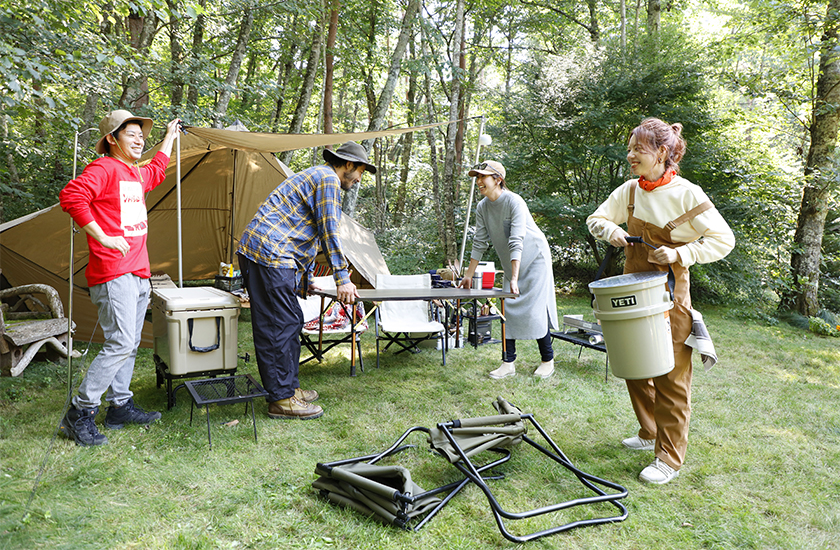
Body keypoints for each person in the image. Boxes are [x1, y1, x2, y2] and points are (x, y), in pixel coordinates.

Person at [587, 118, 735, 484]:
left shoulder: (687, 193)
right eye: (631, 147)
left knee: (671, 378)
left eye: (639, 148)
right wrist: (612, 230)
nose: (630, 155)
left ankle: (669, 458)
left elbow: (723, 239)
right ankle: (649, 430)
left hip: (670, 296)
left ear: (663, 153)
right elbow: (596, 218)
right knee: (633, 365)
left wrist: (681, 254)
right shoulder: (630, 192)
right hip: (630, 291)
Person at [59, 109, 182, 446]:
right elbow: (71, 196)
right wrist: (102, 236)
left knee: (128, 345)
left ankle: (120, 407)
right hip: (113, 272)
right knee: (121, 342)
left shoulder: (132, 171)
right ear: (112, 139)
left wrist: (169, 137)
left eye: (142, 135)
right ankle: (79, 412)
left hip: (138, 272)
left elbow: (157, 170)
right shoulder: (103, 168)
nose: (140, 139)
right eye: (132, 134)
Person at [237, 141, 376, 420]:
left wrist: (304, 278)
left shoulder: (316, 176)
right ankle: (282, 399)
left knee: (289, 321)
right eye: (360, 170)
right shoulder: (327, 179)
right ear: (347, 164)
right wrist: (343, 278)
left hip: (270, 254)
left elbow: (303, 233)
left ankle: (288, 389)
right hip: (270, 254)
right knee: (280, 325)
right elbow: (329, 230)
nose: (360, 178)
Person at [459, 160, 559, 379]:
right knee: (508, 311)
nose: (479, 182)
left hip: (535, 260)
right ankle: (508, 363)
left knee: (536, 310)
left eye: (483, 177)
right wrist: (468, 275)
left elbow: (516, 240)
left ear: (498, 180)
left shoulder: (515, 202)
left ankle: (547, 360)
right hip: (512, 263)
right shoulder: (482, 207)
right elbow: (479, 242)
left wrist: (513, 278)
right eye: (477, 177)